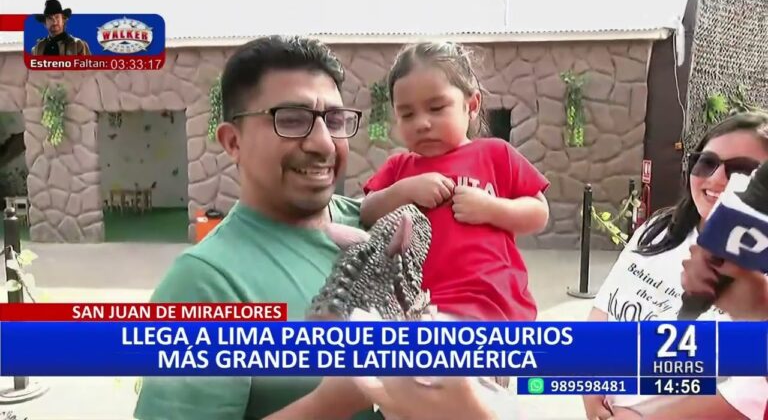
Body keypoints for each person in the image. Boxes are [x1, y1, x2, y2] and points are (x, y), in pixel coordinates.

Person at [134, 35, 508, 420]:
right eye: (291, 120)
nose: (323, 143)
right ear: (233, 141)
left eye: (334, 120)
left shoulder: (384, 223)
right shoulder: (204, 284)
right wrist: (333, 400)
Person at [583, 111, 768, 420]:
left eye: (742, 170)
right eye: (707, 163)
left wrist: (640, 416)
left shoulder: (758, 276)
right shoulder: (657, 229)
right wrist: (591, 386)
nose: (716, 179)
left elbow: (747, 394)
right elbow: (605, 310)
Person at [360, 42, 550, 323]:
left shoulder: (495, 154)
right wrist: (404, 191)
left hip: (491, 304)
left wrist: (490, 209)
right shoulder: (399, 167)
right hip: (418, 307)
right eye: (407, 114)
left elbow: (539, 212)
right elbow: (366, 211)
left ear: (471, 106)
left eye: (436, 108)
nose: (422, 123)